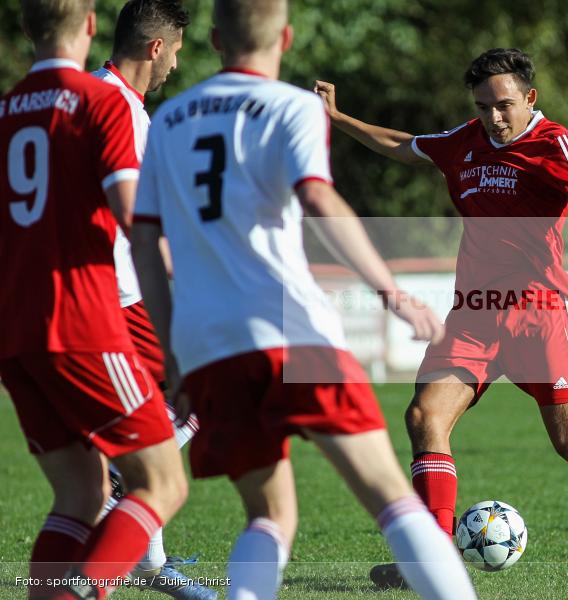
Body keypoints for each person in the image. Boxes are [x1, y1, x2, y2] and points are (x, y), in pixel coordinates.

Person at [315, 47, 568, 589]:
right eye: (482, 107)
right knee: (424, 418)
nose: (493, 117)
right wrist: (337, 119)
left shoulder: (555, 142)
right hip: (474, 316)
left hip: (540, 316)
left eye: (503, 106)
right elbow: (405, 145)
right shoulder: (465, 140)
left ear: (529, 98)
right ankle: (432, 559)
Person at [130, 2, 477, 599]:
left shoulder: (168, 119)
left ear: (214, 39)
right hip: (292, 332)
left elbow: (144, 242)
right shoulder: (291, 106)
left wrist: (175, 355)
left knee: (268, 515)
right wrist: (393, 294)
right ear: (286, 38)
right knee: (391, 498)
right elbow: (318, 199)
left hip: (210, 347)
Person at [0, 2, 187, 599]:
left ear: (26, 28)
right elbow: (135, 219)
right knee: (162, 483)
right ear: (88, 26)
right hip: (84, 319)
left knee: (81, 493)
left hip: (16, 329)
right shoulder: (100, 102)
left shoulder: (5, 111)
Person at [91, 2, 216, 598]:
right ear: (157, 47)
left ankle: (149, 558)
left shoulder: (91, 95)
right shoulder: (118, 107)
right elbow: (135, 216)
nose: (177, 65)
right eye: (178, 51)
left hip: (98, 290)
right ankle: (123, 478)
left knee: (161, 409)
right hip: (127, 290)